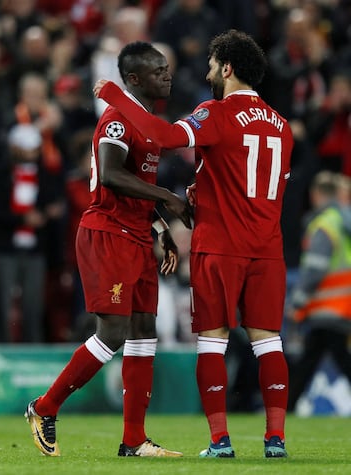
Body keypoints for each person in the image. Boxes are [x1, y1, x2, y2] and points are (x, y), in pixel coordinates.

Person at [94, 28, 294, 458]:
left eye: (210, 66)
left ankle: (220, 442)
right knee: (268, 342)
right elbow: (261, 185)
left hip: (220, 246)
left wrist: (115, 95)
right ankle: (275, 440)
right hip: (269, 248)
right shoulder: (283, 127)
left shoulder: (216, 113)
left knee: (212, 343)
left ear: (227, 67)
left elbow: (164, 138)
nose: (207, 74)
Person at [25, 41, 191, 457]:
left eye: (167, 69)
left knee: (143, 334)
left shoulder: (149, 123)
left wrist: (158, 224)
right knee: (113, 332)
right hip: (108, 233)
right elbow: (113, 175)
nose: (167, 76)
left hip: (136, 234)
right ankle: (45, 407)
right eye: (158, 71)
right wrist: (167, 196)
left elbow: (134, 188)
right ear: (133, 79)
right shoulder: (117, 120)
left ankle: (134, 439)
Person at [0, 123, 65, 342]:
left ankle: (33, 349)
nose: (32, 154)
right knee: (2, 305)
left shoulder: (45, 175)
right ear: (14, 148)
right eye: (27, 148)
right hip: (5, 249)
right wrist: (22, 219)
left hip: (35, 250)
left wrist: (50, 212)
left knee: (34, 304)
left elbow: (54, 201)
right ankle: (1, 350)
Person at [287, 171, 351, 412]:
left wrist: (298, 302)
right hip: (343, 303)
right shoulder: (342, 221)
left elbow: (315, 269)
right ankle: (289, 405)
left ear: (316, 194)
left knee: (322, 358)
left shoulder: (324, 224)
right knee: (315, 357)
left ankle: (288, 406)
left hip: (327, 305)